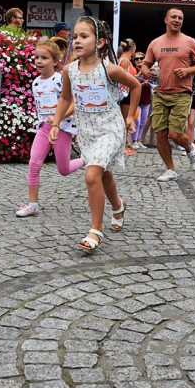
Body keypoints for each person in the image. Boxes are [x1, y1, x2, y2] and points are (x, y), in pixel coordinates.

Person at [49, 16, 141, 250]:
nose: (77, 40)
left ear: (100, 42)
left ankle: (95, 231)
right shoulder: (69, 69)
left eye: (84, 36)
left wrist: (130, 116)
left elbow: (136, 85)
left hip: (110, 128)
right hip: (87, 131)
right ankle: (118, 206)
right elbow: (66, 98)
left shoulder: (109, 69)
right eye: (75, 36)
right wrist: (56, 123)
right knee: (104, 174)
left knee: (91, 176)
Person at [16, 39, 84, 217]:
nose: (39, 61)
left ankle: (86, 159)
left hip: (62, 128)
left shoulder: (60, 79)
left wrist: (59, 117)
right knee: (34, 163)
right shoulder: (36, 82)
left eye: (44, 58)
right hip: (44, 128)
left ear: (55, 61)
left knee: (64, 170)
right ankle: (32, 204)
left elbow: (73, 103)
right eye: (37, 57)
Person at [142, 8, 195, 181]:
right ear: (166, 20)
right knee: (160, 134)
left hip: (182, 94)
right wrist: (147, 72)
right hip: (161, 93)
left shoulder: (190, 42)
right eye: (174, 17)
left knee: (175, 134)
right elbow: (145, 65)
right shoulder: (155, 43)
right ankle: (171, 170)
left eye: (180, 18)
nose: (177, 20)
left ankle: (190, 148)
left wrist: (186, 71)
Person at [117, 38, 138, 155]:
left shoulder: (126, 60)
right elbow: (123, 78)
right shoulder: (124, 60)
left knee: (126, 120)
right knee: (125, 120)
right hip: (125, 93)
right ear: (132, 49)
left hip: (129, 91)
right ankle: (123, 147)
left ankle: (124, 145)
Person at [132, 52, 151, 148]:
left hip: (146, 98)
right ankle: (134, 141)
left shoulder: (148, 71)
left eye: (141, 58)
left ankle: (139, 140)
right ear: (134, 61)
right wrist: (143, 84)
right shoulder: (134, 71)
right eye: (137, 59)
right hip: (136, 100)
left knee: (143, 122)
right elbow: (132, 83)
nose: (139, 60)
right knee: (137, 120)